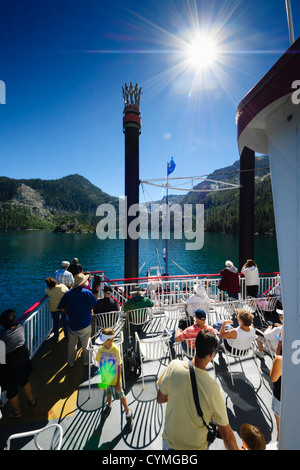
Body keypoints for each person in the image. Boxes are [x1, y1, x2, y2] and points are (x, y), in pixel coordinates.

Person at [157, 330, 239, 450]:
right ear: (212, 355)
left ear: (195, 346)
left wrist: (179, 397)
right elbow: (226, 435)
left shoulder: (174, 366)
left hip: (169, 443)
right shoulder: (213, 389)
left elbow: (160, 398)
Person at [95, 327, 133, 431]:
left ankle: (128, 413)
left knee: (121, 395)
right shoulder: (101, 349)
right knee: (108, 393)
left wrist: (118, 383)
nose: (101, 343)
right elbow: (99, 362)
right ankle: (109, 405)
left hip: (115, 379)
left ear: (109, 340)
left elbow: (119, 365)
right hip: (106, 378)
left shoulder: (115, 350)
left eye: (102, 340)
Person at [0, 309, 36, 418]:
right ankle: (31, 400)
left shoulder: (2, 336)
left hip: (10, 364)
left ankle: (17, 412)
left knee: (12, 390)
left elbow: (1, 357)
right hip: (22, 358)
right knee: (24, 380)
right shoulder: (20, 328)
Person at [57, 272, 97, 367]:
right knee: (86, 343)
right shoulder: (87, 293)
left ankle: (70, 362)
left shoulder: (68, 293)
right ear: (83, 282)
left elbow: (61, 307)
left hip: (72, 324)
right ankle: (86, 361)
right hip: (85, 323)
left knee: (71, 344)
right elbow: (94, 304)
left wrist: (67, 312)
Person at [45, 277, 69, 341]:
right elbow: (67, 291)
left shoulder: (47, 290)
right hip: (63, 307)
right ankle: (66, 335)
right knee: (64, 321)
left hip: (54, 307)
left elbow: (47, 291)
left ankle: (56, 336)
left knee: (55, 322)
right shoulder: (62, 287)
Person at [270, 335, 282, 441]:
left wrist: (277, 356)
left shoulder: (280, 360)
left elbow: (273, 378)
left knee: (281, 429)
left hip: (280, 399)